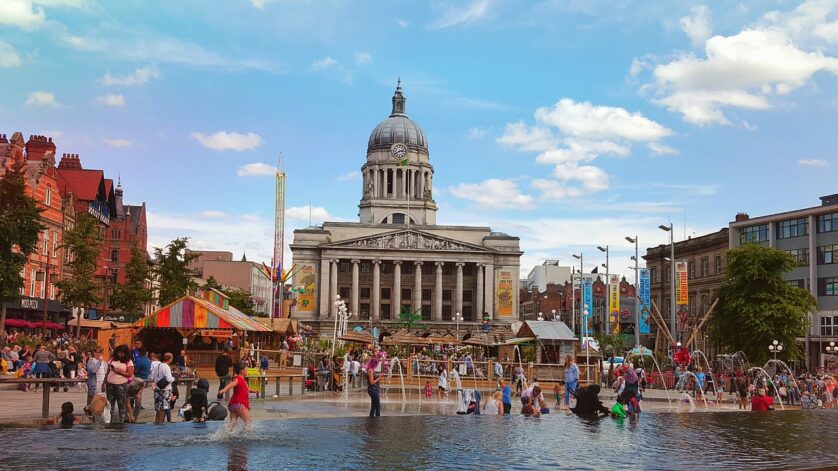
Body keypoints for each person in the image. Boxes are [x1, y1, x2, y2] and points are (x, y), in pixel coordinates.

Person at [218, 363, 254, 431]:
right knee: (248, 421)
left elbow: (246, 389)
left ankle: (228, 434)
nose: (247, 371)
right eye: (246, 369)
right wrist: (224, 389)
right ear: (242, 371)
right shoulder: (238, 379)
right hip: (239, 404)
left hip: (233, 405)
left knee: (233, 424)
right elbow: (231, 384)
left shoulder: (242, 380)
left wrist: (254, 391)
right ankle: (246, 436)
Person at [105, 345, 135, 424]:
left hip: (121, 384)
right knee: (110, 404)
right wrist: (104, 382)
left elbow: (130, 374)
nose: (120, 355)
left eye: (122, 353)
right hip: (110, 383)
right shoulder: (112, 359)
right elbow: (108, 371)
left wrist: (119, 372)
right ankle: (108, 421)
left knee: (121, 403)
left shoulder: (129, 361)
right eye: (119, 352)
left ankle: (122, 421)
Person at [150, 352, 175, 424]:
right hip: (165, 389)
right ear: (170, 359)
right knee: (163, 408)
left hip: (157, 388)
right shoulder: (166, 367)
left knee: (158, 407)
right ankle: (160, 424)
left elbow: (154, 377)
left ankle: (156, 422)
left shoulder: (157, 365)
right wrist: (174, 378)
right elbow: (169, 379)